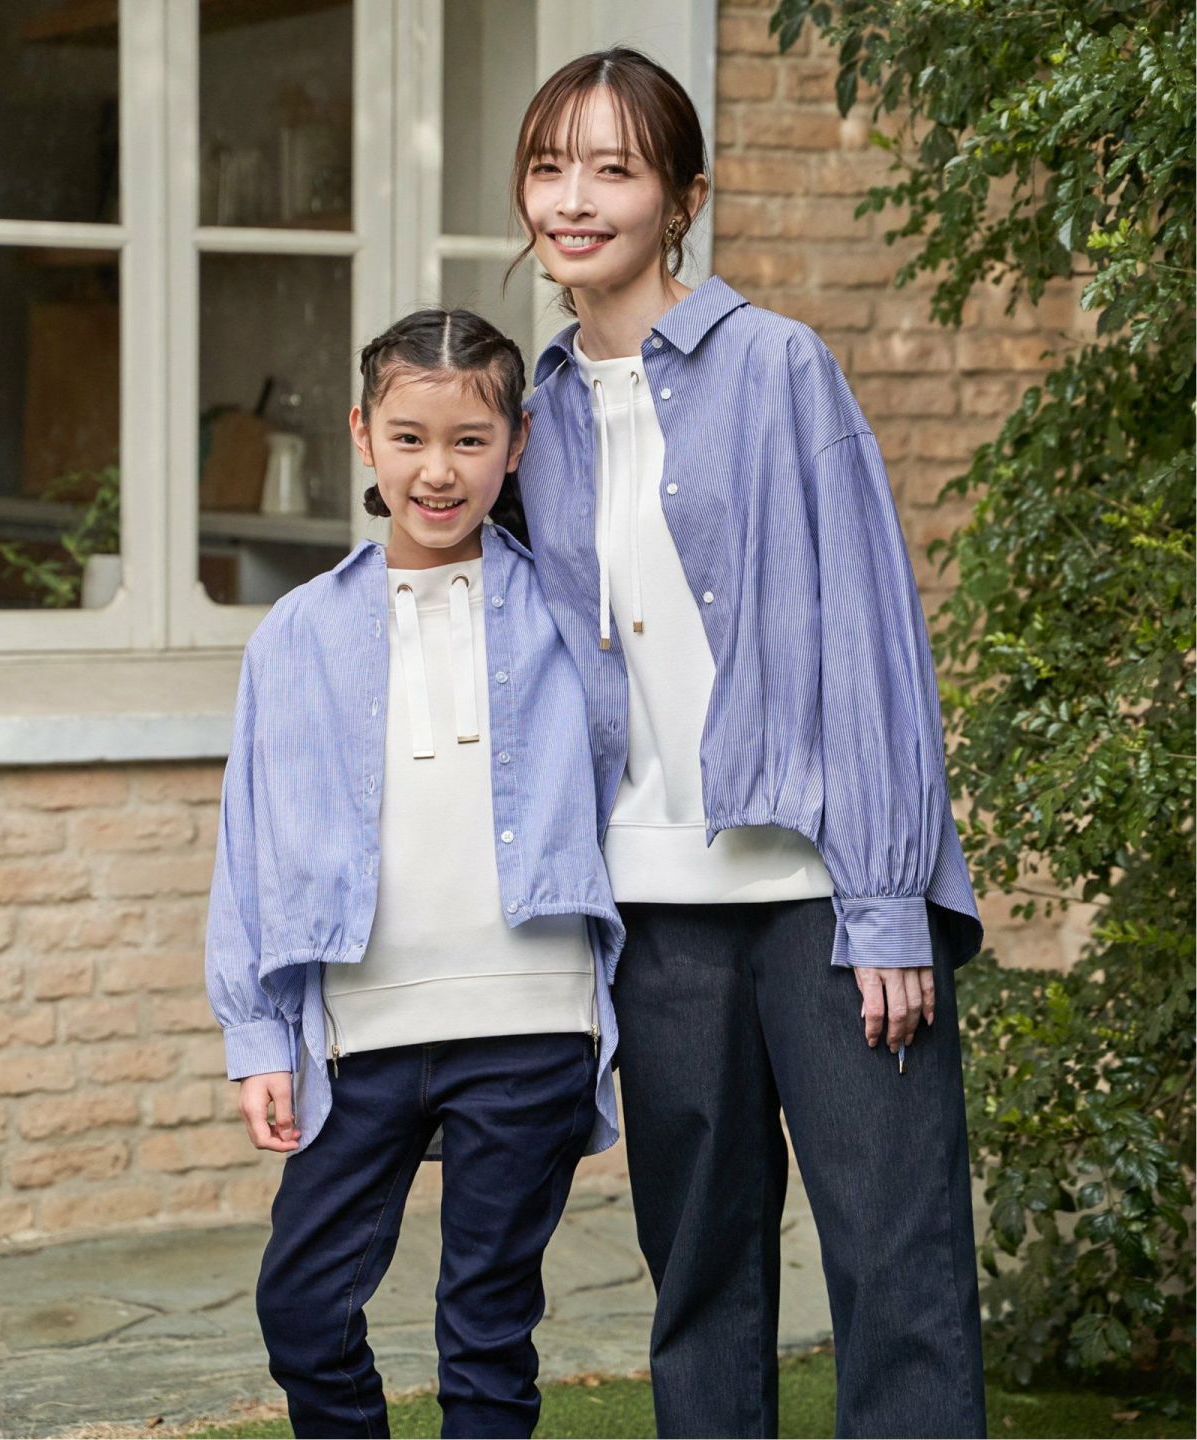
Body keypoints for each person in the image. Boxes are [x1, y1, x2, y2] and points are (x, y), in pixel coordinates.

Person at [506, 46, 988, 1440]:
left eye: (613, 169)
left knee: (895, 1265)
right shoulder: (535, 418)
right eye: (548, 167)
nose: (573, 199)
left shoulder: (779, 369)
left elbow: (871, 637)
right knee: (700, 1281)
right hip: (655, 908)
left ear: (683, 199)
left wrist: (887, 902)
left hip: (823, 897)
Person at [203, 308, 624, 1440]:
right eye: (410, 438)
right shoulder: (296, 633)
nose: (439, 471)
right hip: (359, 1036)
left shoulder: (572, 613)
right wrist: (258, 1036)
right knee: (303, 1307)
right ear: (362, 435)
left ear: (516, 445)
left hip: (532, 1025)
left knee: (485, 1329)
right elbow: (250, 841)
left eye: (470, 441)